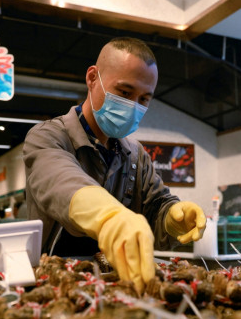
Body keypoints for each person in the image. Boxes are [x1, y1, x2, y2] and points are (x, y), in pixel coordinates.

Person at [23, 36, 206, 293]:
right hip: (52, 286)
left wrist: (172, 218)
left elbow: (155, 207)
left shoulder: (136, 155)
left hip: (115, 286)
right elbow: (61, 181)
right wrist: (110, 217)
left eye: (144, 99)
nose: (133, 106)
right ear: (92, 78)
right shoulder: (47, 137)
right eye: (124, 92)